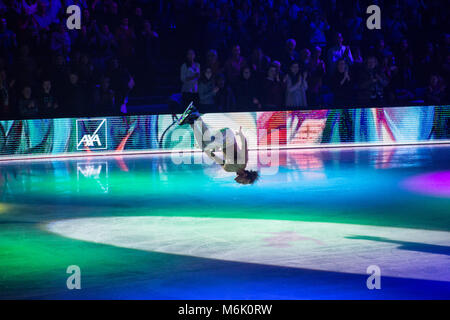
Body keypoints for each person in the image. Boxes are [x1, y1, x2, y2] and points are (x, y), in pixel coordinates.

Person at [178, 103, 259, 185]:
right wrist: (240, 134)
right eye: (243, 182)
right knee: (205, 144)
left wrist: (205, 150)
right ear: (245, 175)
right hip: (228, 136)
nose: (240, 182)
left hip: (222, 142)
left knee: (205, 142)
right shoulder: (242, 164)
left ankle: (196, 117)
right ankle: (192, 121)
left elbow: (214, 157)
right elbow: (244, 146)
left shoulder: (228, 169)